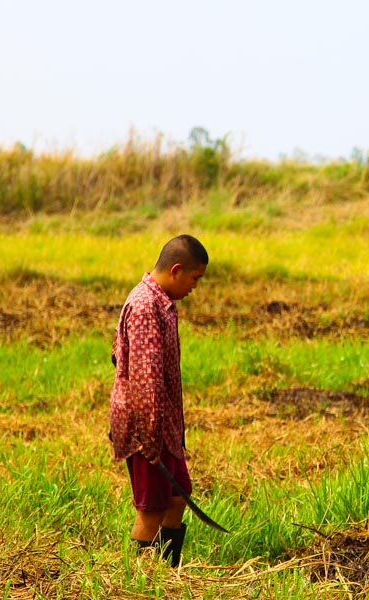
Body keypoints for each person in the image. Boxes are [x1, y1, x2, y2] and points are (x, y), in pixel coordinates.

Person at [110, 234, 209, 567]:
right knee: (151, 509)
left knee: (178, 494)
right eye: (195, 279)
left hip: (162, 425)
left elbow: (117, 353)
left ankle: (168, 572)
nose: (195, 287)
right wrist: (150, 437)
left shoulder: (161, 302)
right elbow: (145, 377)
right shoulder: (145, 305)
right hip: (147, 428)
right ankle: (141, 584)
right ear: (177, 270)